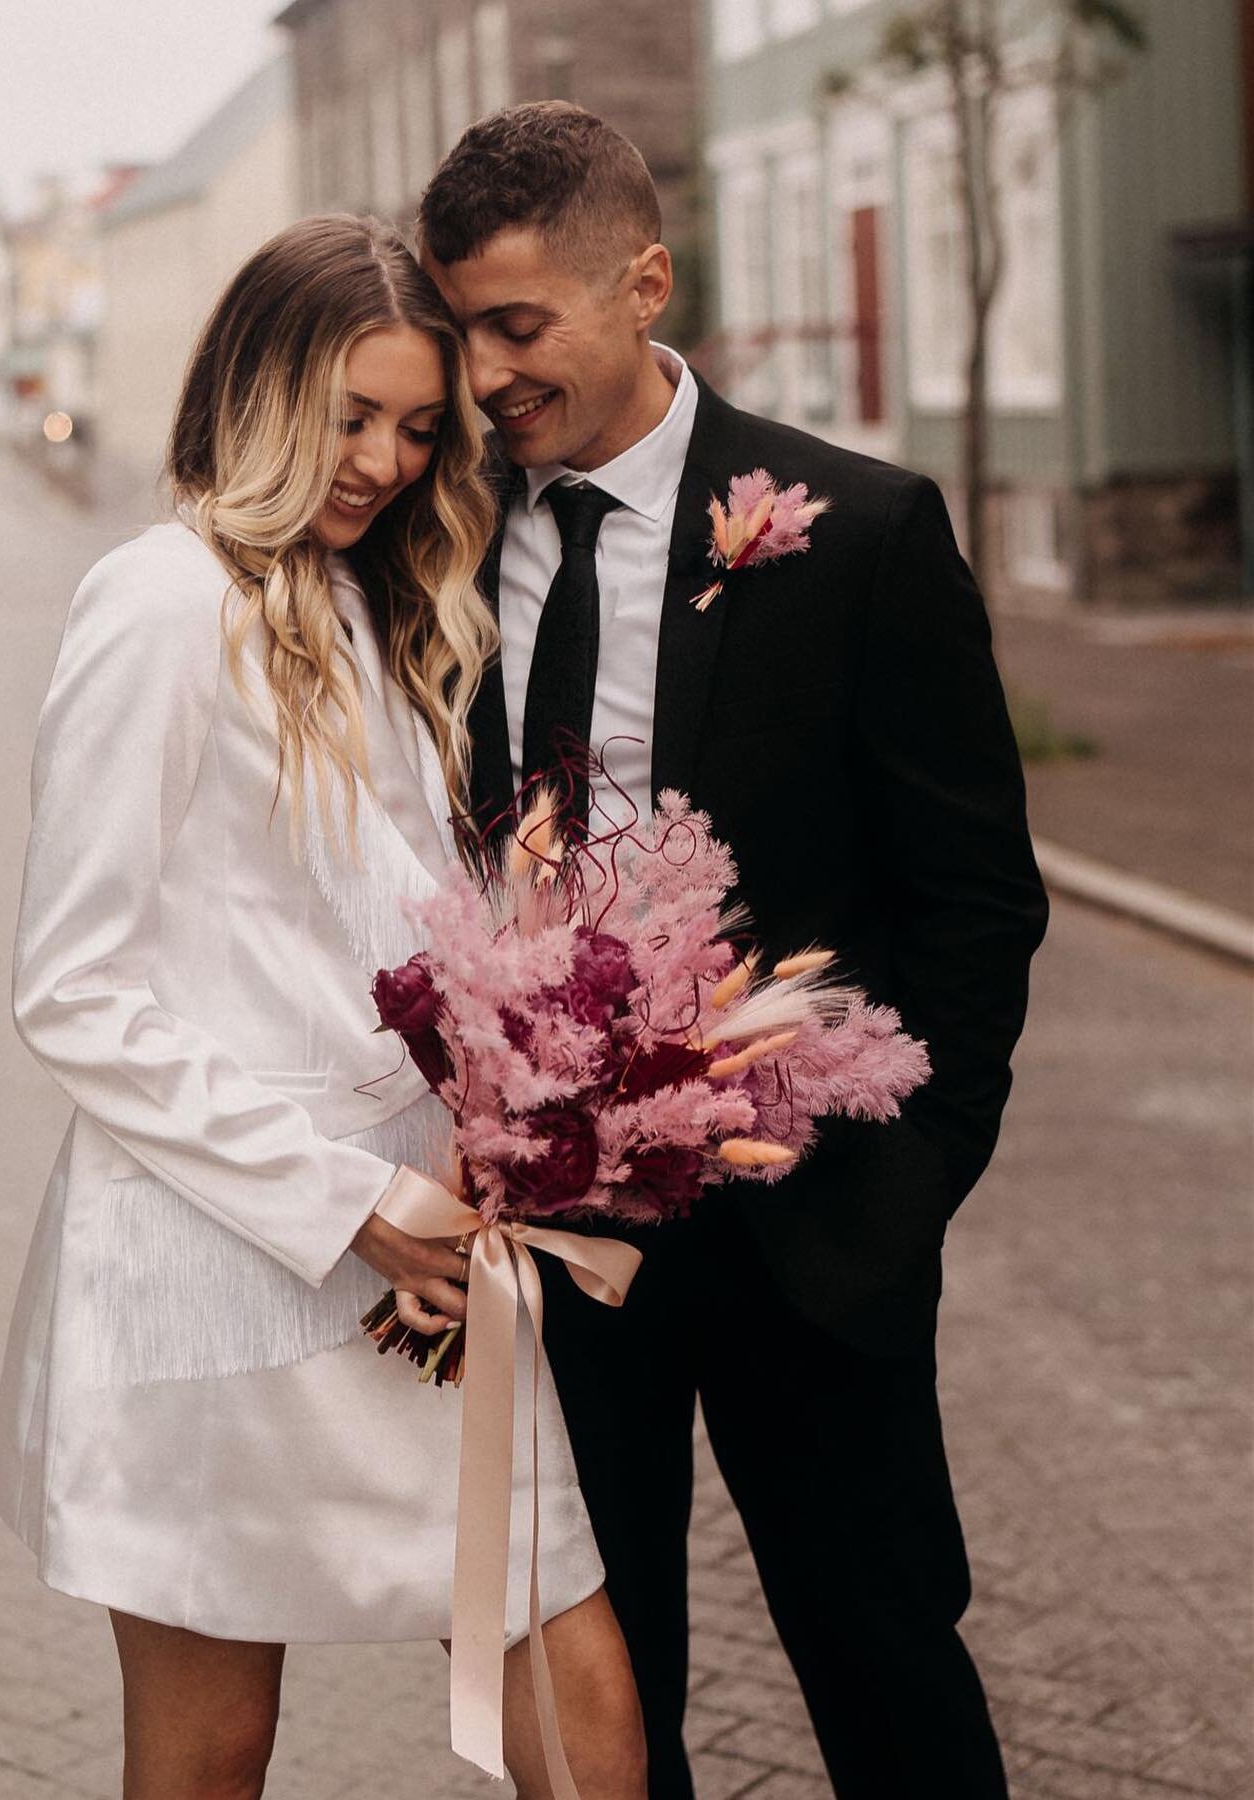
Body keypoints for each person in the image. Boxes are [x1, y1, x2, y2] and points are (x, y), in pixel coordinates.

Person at [419, 104, 1049, 1800]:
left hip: (809, 1220)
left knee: (886, 1657)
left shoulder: (859, 531)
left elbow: (976, 897)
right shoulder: (437, 543)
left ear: (645, 283)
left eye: (519, 325)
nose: (484, 376)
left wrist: (906, 1176)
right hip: (553, 1243)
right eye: (461, 327)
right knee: (598, 1702)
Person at [0, 215, 646, 1800]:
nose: (385, 462)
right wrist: (349, 1206)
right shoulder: (156, 602)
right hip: (229, 1258)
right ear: (257, 384)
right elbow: (70, 990)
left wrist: (496, 1133)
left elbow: (394, 948)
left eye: (421, 429)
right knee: (214, 1745)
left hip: (423, 1255)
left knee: (576, 1683)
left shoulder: (378, 603)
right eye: (352, 416)